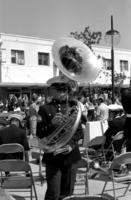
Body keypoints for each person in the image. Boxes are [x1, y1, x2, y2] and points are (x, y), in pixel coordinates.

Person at [36, 75, 83, 200]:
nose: (63, 93)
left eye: (65, 90)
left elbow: (79, 132)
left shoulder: (74, 108)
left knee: (68, 193)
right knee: (53, 193)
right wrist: (51, 124)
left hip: (71, 155)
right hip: (53, 156)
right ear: (52, 91)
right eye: (59, 90)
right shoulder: (44, 109)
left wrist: (71, 144)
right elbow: (39, 133)